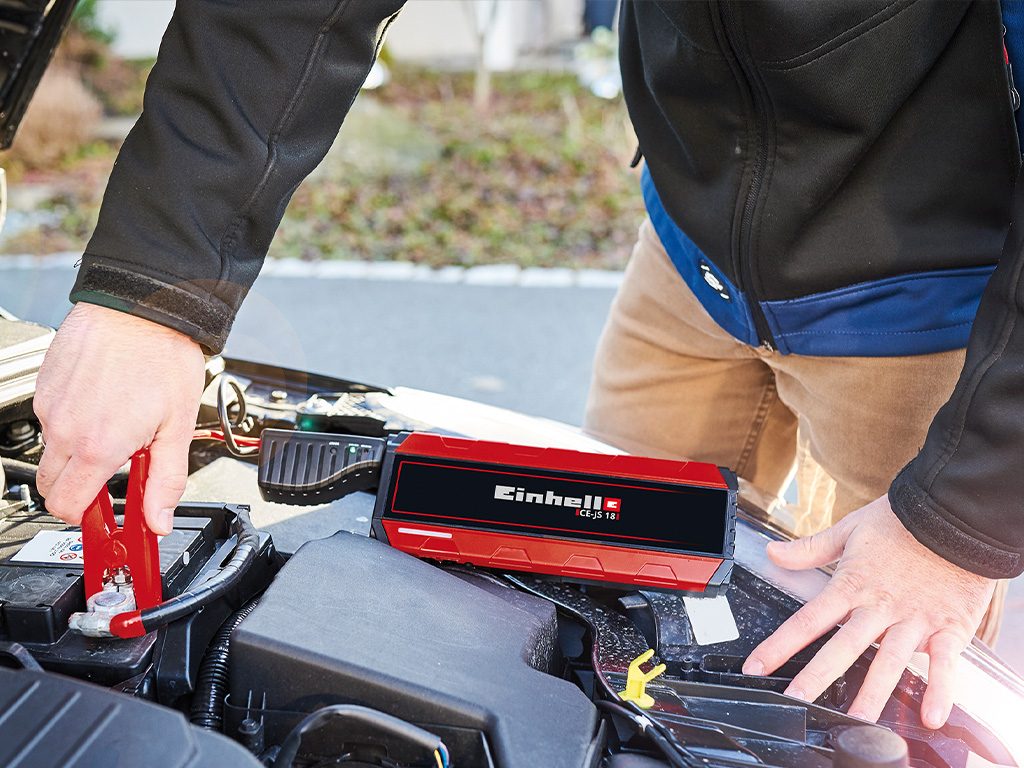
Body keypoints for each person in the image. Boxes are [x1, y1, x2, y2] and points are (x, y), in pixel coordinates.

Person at [31, 0, 1023, 731]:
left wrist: (963, 517)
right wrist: (156, 289)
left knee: (921, 695)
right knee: (614, 602)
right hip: (690, 247)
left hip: (935, 298)